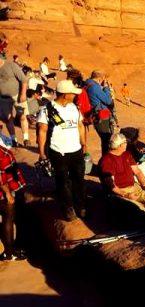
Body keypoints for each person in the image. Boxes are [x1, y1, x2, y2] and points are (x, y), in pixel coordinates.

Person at [38, 80, 88, 221]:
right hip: (58, 151)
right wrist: (41, 153)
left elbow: (80, 126)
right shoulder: (47, 109)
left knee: (79, 179)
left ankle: (81, 206)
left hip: (76, 150)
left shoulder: (74, 108)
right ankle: (68, 208)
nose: (74, 95)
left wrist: (83, 144)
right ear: (65, 94)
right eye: (72, 93)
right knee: (62, 181)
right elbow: (42, 131)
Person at [98, 133, 145, 213]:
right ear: (120, 145)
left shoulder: (126, 154)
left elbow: (137, 172)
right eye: (125, 142)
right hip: (120, 193)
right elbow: (111, 186)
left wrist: (144, 185)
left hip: (135, 187)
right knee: (139, 209)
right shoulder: (106, 161)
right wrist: (126, 195)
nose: (126, 144)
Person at [0, 144, 26, 261]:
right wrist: (7, 193)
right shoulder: (2, 154)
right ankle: (9, 253)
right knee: (8, 219)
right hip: (3, 194)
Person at [0, 46, 27, 147]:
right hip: (3, 99)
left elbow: (24, 80)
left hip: (17, 95)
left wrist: (23, 94)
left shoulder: (11, 65)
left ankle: (26, 138)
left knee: (23, 117)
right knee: (8, 119)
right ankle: (13, 140)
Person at [85, 70, 115, 156]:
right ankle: (106, 162)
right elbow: (108, 101)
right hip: (101, 115)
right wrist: (106, 87)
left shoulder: (87, 84)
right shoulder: (94, 87)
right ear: (99, 78)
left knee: (105, 140)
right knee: (106, 140)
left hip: (95, 114)